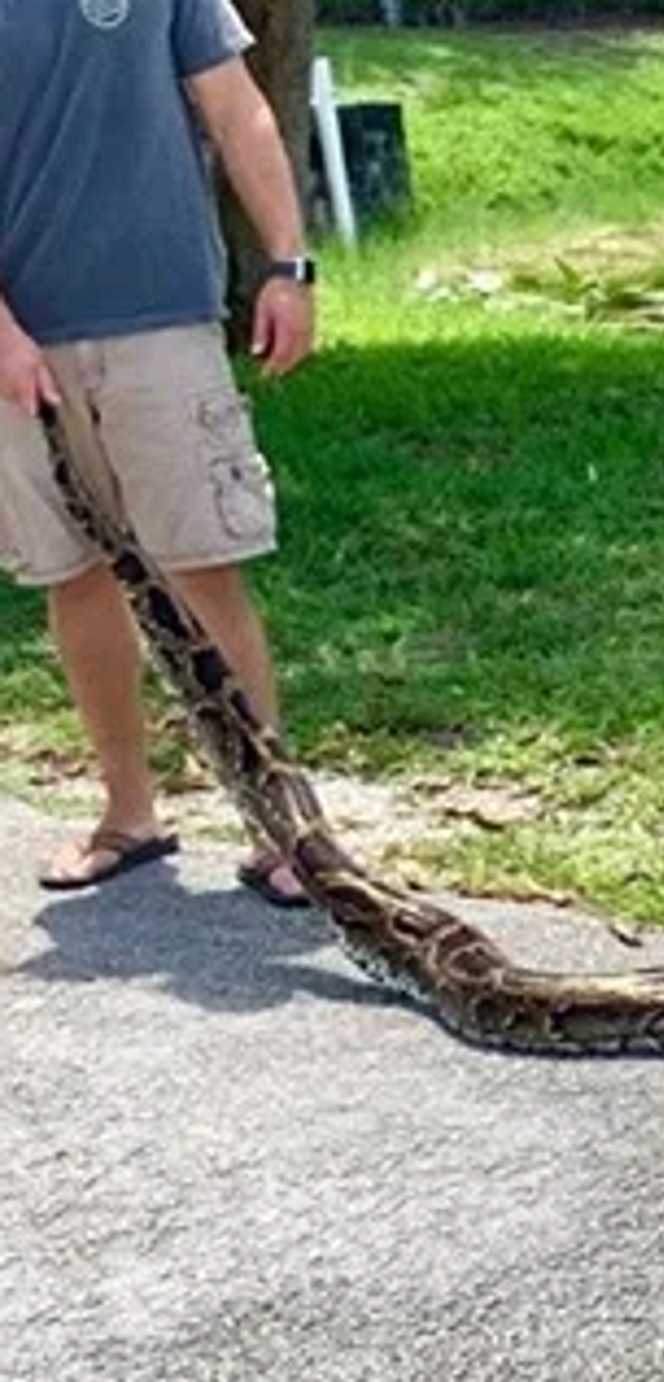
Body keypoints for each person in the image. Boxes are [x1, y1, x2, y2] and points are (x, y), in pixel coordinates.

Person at [0, 0, 318, 903]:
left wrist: (288, 266)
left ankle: (281, 828)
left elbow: (236, 105)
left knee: (203, 564)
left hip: (165, 323)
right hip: (21, 342)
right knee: (76, 575)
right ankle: (128, 814)